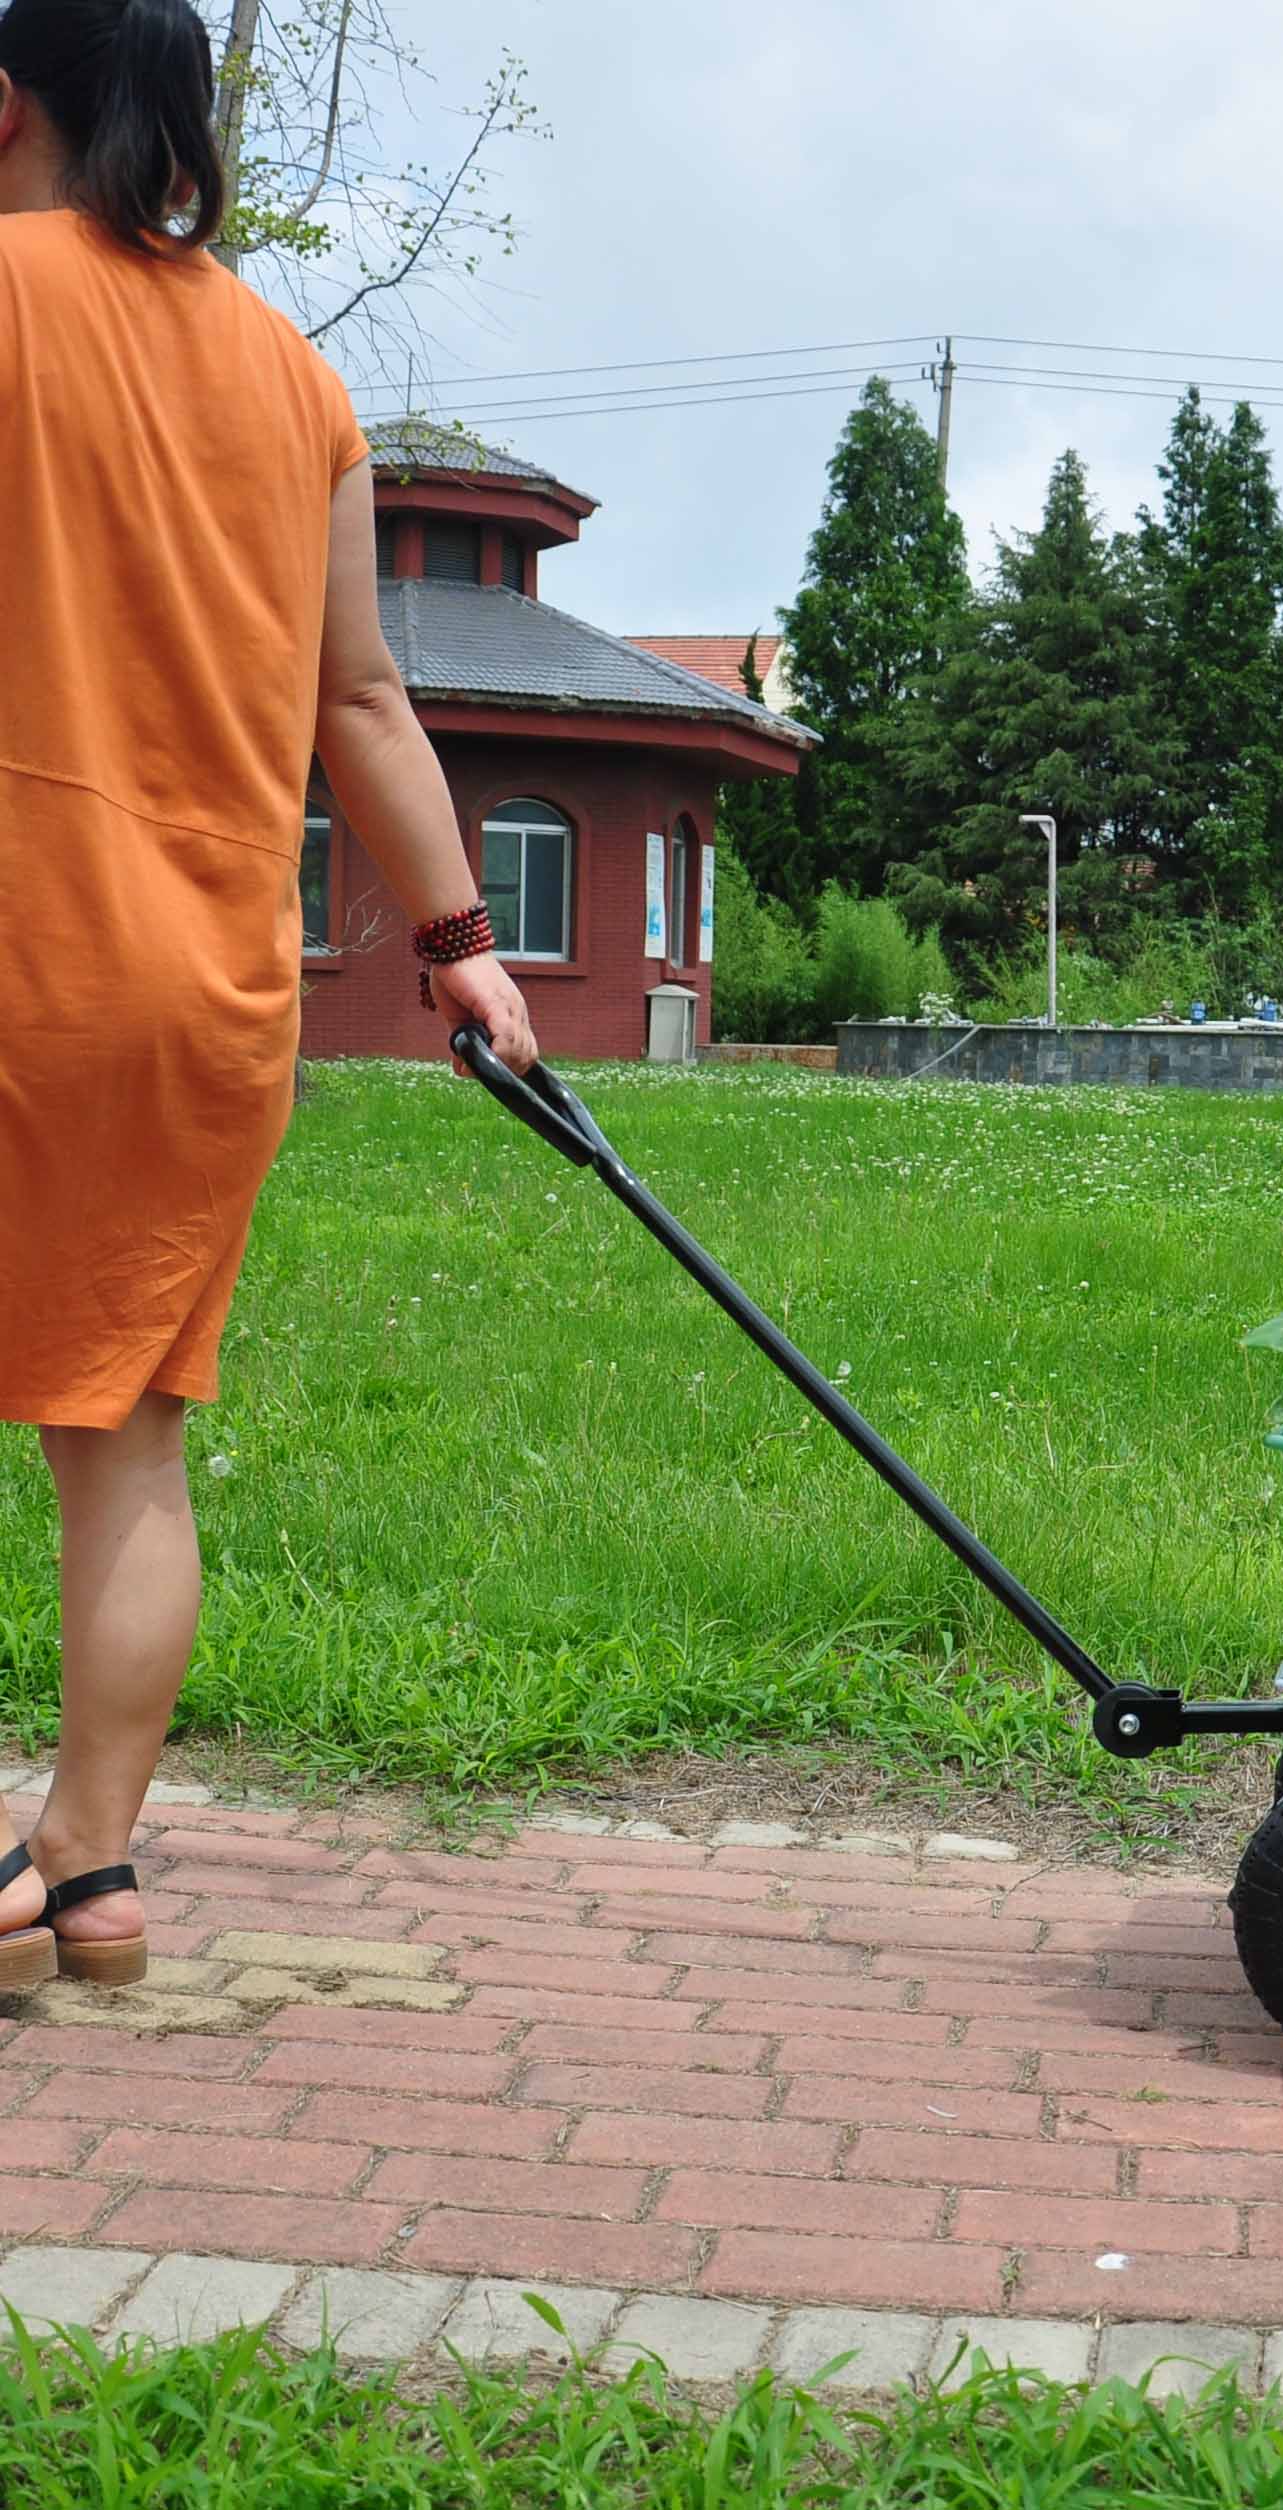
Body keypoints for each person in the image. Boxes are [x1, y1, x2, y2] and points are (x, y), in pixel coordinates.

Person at [0, 0, 537, 1991]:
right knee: (128, 1439)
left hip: (19, 931)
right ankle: (88, 1867)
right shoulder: (296, 378)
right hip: (210, 987)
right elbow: (362, 697)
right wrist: (462, 941)